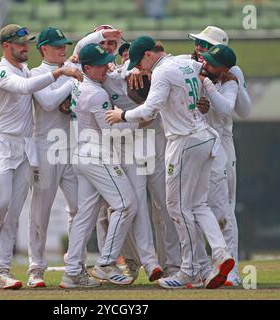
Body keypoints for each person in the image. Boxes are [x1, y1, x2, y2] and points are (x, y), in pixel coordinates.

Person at [106, 36, 234, 289]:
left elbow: (149, 110)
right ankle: (220, 255)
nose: (139, 68)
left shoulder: (163, 72)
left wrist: (121, 114)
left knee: (176, 207)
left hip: (184, 142)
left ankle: (188, 271)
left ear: (149, 55)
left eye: (139, 62)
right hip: (206, 138)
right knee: (199, 204)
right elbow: (207, 70)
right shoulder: (185, 62)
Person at [0, 24, 83, 290]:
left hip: (25, 148)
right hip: (1, 143)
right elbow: (24, 88)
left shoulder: (25, 69)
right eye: (19, 43)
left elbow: (72, 56)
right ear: (5, 46)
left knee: (12, 212)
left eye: (26, 43)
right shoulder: (0, 71)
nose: (25, 47)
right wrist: (61, 72)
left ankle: (1, 272)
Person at [60, 43, 148, 288]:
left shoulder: (80, 84)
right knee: (127, 204)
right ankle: (106, 263)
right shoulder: (97, 93)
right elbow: (111, 131)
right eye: (100, 65)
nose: (106, 68)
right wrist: (139, 121)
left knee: (84, 217)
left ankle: (72, 273)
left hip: (83, 153)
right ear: (87, 67)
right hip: (97, 155)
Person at [186, 26, 252, 286]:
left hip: (221, 142)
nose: (199, 47)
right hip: (194, 140)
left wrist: (234, 84)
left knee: (223, 208)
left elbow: (241, 111)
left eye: (205, 44)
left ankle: (231, 273)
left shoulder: (231, 71)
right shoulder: (190, 65)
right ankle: (201, 270)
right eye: (199, 43)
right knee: (192, 207)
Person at [27, 27, 79, 288]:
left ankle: (74, 263)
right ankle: (36, 268)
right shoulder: (35, 74)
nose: (63, 49)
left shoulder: (70, 67)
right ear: (43, 48)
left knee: (80, 208)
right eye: (57, 45)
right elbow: (48, 102)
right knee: (41, 211)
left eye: (64, 45)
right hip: (45, 148)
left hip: (70, 147)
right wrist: (70, 78)